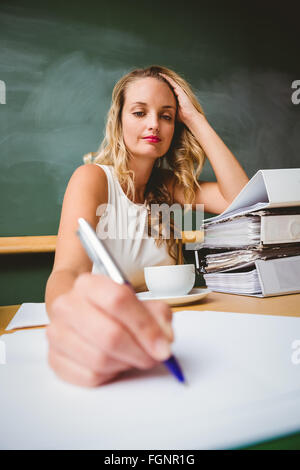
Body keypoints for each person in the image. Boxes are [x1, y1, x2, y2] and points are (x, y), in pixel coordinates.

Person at [45, 65, 249, 387]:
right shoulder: (93, 178)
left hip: (176, 331)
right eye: (140, 112)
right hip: (113, 334)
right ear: (119, 119)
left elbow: (241, 199)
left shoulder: (171, 187)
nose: (154, 124)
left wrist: (195, 118)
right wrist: (71, 319)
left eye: (166, 116)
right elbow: (66, 273)